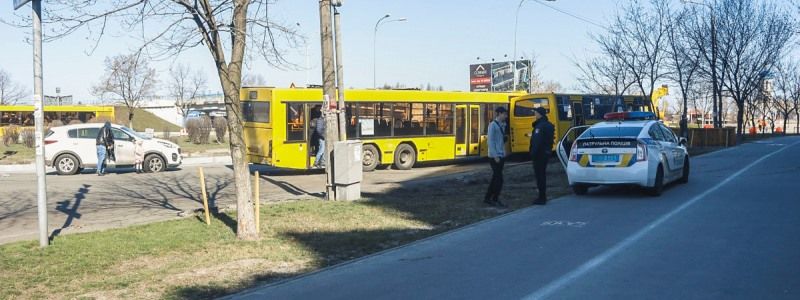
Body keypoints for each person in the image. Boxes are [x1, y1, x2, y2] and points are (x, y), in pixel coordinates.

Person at [530, 107, 554, 205]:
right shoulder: (549, 125)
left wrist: (532, 154)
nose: (534, 114)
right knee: (542, 175)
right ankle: (542, 196)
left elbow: (537, 142)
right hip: (546, 153)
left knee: (540, 176)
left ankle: (541, 197)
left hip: (539, 155)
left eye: (535, 113)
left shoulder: (540, 126)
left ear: (539, 114)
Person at [485, 106, 509, 207]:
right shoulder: (492, 125)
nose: (506, 116)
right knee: (499, 179)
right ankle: (494, 198)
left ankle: (488, 198)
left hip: (501, 155)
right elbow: (490, 142)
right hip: (494, 157)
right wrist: (495, 156)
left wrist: (503, 152)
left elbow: (500, 141)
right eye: (504, 114)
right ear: (499, 114)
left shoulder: (503, 124)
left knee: (495, 178)